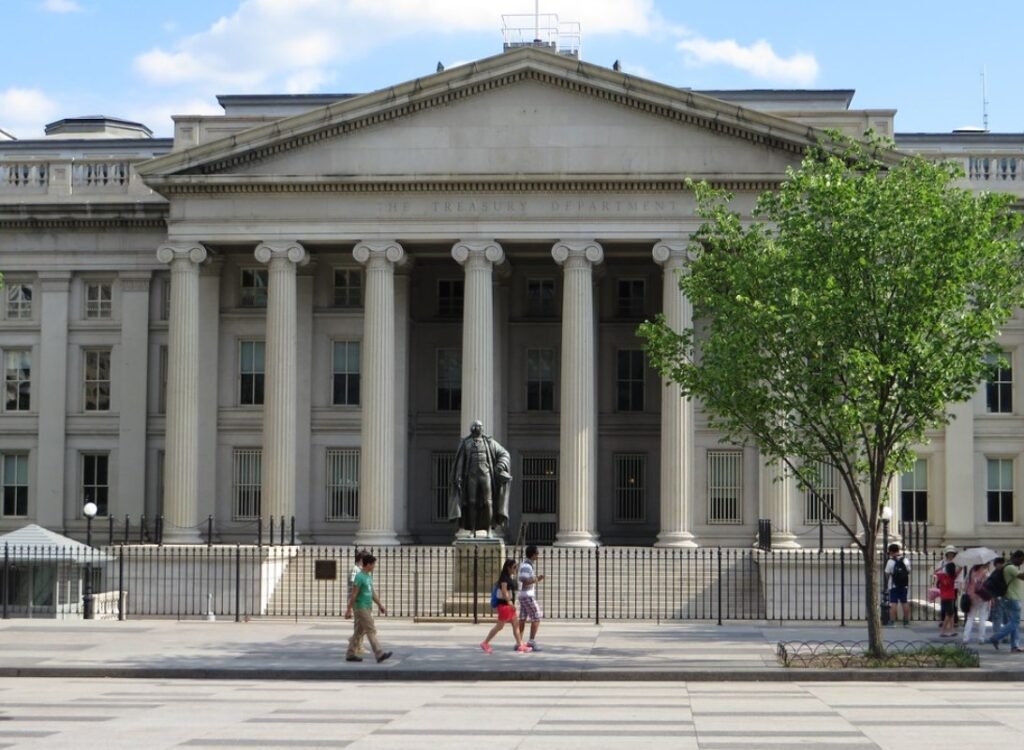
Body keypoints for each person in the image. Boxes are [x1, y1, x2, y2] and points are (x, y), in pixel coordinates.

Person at [449, 420, 512, 535]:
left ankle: (488, 530)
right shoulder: (466, 443)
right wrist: (458, 476)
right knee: (471, 502)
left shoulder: (489, 442)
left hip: (486, 474)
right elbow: (460, 462)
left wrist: (500, 466)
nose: (479, 429)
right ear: (473, 429)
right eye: (477, 427)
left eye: (481, 427)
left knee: (488, 502)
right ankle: (472, 530)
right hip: (471, 476)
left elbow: (504, 454)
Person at [344, 554, 392, 663]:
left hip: (368, 606)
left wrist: (380, 605)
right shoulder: (359, 576)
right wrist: (349, 609)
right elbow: (354, 594)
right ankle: (379, 653)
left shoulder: (368, 576)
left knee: (358, 632)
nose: (375, 566)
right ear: (368, 564)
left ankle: (350, 653)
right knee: (371, 629)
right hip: (361, 607)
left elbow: (372, 593)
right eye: (374, 564)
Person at [481, 559, 531, 654]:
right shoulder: (504, 578)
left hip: (508, 606)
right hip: (504, 606)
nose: (515, 569)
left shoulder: (508, 577)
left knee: (515, 625)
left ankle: (520, 645)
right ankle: (485, 643)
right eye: (514, 567)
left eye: (516, 567)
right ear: (508, 567)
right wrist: (509, 602)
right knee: (499, 626)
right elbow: (504, 591)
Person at [989, 549, 1024, 652]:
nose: (1022, 562)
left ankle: (1014, 646)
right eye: (1021, 560)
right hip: (1012, 598)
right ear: (1016, 558)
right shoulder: (1011, 568)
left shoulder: (1008, 567)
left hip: (1011, 598)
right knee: (1015, 622)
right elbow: (1022, 577)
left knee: (1014, 622)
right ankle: (996, 637)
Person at [518, 545, 545, 652]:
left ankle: (519, 642)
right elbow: (525, 581)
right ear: (533, 554)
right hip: (527, 595)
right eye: (537, 553)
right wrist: (536, 579)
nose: (538, 556)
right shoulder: (527, 566)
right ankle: (531, 641)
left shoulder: (526, 565)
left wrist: (536, 579)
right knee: (537, 616)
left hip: (524, 595)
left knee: (523, 618)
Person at [963, 562, 992, 645]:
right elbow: (990, 585)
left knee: (970, 618)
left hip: (971, 597)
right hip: (983, 597)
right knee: (982, 619)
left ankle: (966, 638)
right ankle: (981, 639)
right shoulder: (986, 573)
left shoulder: (971, 572)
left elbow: (965, 584)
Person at [884, 543, 911, 627]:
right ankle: (906, 621)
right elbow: (909, 571)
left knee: (893, 603)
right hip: (903, 585)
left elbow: (887, 573)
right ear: (899, 550)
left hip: (893, 585)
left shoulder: (890, 561)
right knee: (904, 602)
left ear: (891, 552)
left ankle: (892, 622)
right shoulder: (905, 560)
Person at [347, 549, 367, 657]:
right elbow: (355, 585)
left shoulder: (359, 570)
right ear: (361, 560)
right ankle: (355, 644)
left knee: (361, 625)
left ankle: (358, 645)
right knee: (361, 625)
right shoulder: (355, 570)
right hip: (358, 601)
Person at [935, 561, 958, 637]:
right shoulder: (953, 577)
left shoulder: (942, 576)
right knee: (949, 615)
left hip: (943, 597)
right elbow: (960, 569)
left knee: (951, 614)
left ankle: (952, 630)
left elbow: (936, 571)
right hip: (950, 597)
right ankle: (942, 631)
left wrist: (943, 566)